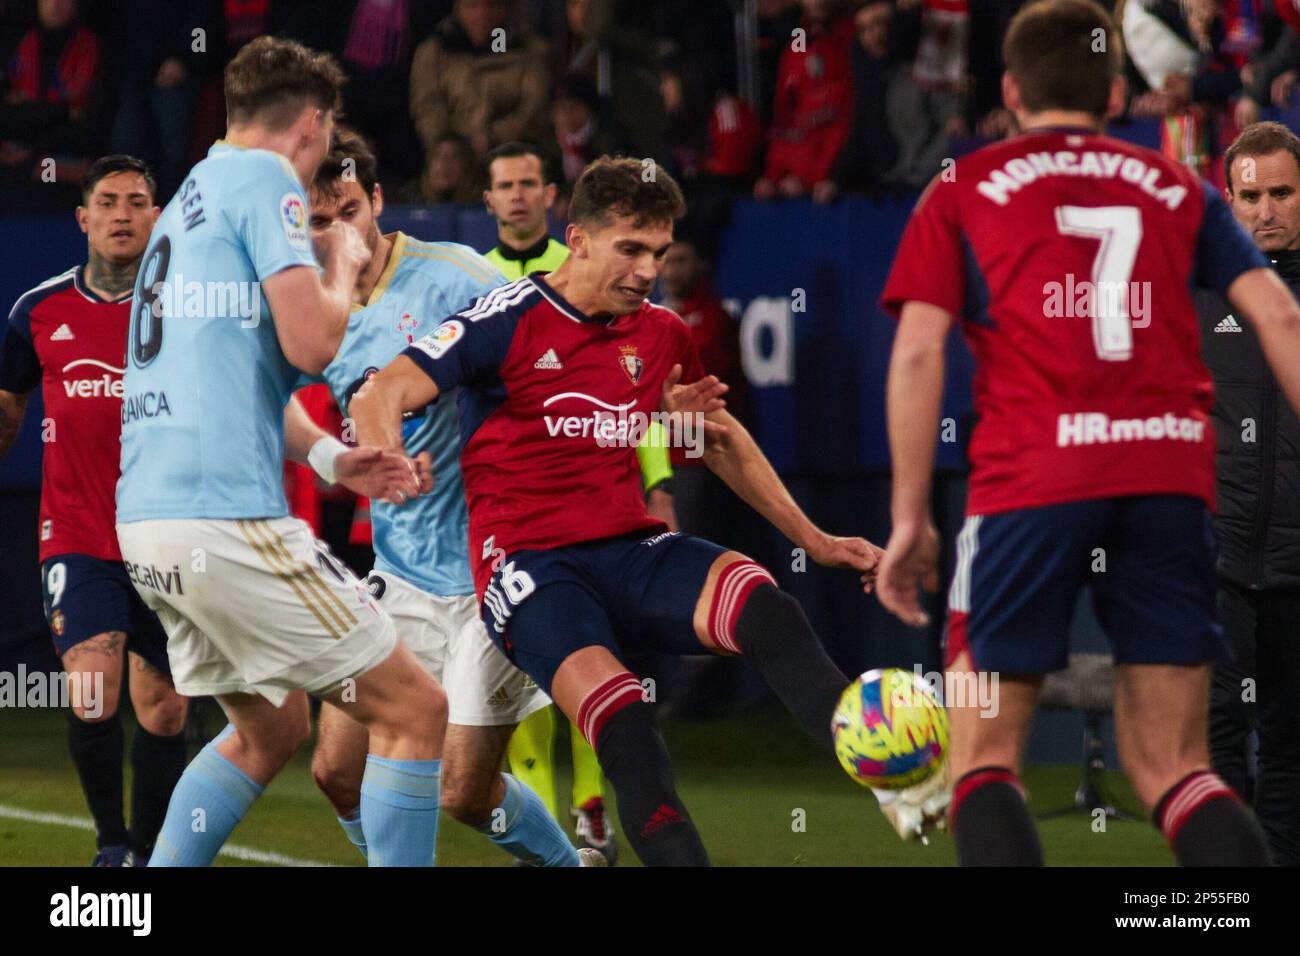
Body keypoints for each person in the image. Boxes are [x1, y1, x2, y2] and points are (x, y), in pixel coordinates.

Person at [349, 156, 923, 867]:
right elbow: (378, 396)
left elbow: (711, 438)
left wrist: (816, 538)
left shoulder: (661, 333)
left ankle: (888, 774)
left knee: (770, 610)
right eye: (631, 248)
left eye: (659, 251)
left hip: (629, 549)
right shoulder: (506, 321)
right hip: (529, 569)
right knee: (619, 719)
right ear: (580, 239)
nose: (648, 269)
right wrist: (389, 463)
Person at [877, 0, 1285, 866]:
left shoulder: (963, 185)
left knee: (983, 758)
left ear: (1012, 90)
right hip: (1171, 481)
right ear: (1111, 89)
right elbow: (1279, 315)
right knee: (1178, 771)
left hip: (1032, 481)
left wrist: (910, 517)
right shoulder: (1178, 185)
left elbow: (917, 349)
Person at [115, 36, 445, 867]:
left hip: (150, 523)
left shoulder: (192, 191)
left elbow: (232, 372)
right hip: (223, 520)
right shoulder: (265, 181)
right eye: (325, 139)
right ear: (310, 124)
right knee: (414, 710)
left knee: (272, 727)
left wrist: (333, 459)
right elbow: (311, 344)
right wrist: (343, 261)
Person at [303, 126, 598, 867]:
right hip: (398, 577)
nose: (334, 231)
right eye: (314, 220)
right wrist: (357, 462)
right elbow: (310, 445)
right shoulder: (309, 310)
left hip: (488, 573)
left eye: (346, 210)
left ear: (376, 201)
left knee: (466, 793)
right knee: (335, 771)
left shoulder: (455, 277)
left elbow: (550, 360)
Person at [481, 140, 676, 861]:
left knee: (599, 673)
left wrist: (657, 482)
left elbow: (638, 396)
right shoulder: (481, 283)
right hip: (513, 523)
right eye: (506, 184)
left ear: (552, 196)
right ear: (490, 200)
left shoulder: (611, 280)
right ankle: (555, 826)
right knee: (526, 699)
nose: (519, 195)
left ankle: (594, 810)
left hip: (601, 511)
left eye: (530, 182)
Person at [0, 154, 187, 867]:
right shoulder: (37, 311)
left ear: (157, 216)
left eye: (137, 201)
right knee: (89, 686)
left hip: (168, 537)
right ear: (82, 218)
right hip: (76, 533)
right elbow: (8, 411)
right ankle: (113, 846)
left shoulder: (188, 310)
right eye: (106, 201)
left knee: (165, 708)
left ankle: (149, 851)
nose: (121, 214)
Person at [1199, 120, 1300, 866]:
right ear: (1227, 200)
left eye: (1283, 193)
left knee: (1293, 750)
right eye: (1250, 195)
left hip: (1299, 573)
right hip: (1218, 564)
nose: (1266, 210)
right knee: (1215, 746)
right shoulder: (1194, 295)